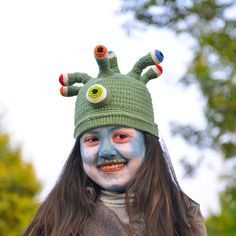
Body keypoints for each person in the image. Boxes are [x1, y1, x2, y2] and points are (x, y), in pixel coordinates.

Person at [24, 45, 207, 236]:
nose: (106, 151)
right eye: (92, 139)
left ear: (147, 143)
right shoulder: (53, 220)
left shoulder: (184, 218)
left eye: (121, 136)